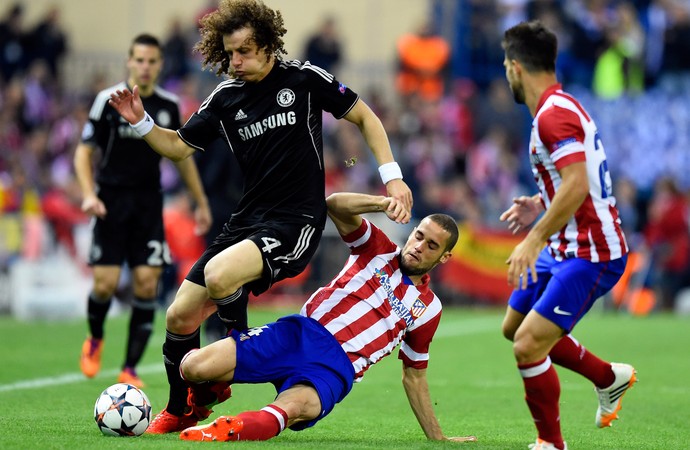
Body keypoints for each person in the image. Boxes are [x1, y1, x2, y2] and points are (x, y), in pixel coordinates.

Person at [107, 0, 412, 434]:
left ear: (268, 45)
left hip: (297, 222)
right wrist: (141, 123)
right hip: (246, 221)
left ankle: (230, 360)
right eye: (229, 53)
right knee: (178, 317)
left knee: (218, 276)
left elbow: (364, 115)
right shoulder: (227, 98)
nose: (235, 61)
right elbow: (178, 146)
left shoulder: (303, 79)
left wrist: (392, 178)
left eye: (245, 51)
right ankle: (182, 408)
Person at [174, 191, 475, 442]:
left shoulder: (429, 309)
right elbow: (333, 205)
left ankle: (226, 431)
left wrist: (438, 438)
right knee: (192, 366)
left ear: (444, 257)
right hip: (298, 333)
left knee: (290, 409)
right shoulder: (378, 249)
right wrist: (382, 204)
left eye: (432, 246)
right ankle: (204, 401)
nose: (419, 247)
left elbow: (414, 375)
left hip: (334, 368)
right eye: (419, 236)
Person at [498, 21, 636, 450]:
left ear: (516, 67)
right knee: (514, 326)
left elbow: (577, 185)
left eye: (506, 64)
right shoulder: (560, 106)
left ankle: (550, 443)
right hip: (565, 243)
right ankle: (608, 377)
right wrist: (540, 204)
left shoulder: (553, 116)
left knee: (526, 345)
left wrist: (533, 238)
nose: (505, 72)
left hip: (591, 252)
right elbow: (579, 181)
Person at [74, 33, 211, 388]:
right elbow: (84, 152)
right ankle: (95, 337)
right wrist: (89, 194)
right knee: (104, 285)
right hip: (111, 203)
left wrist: (200, 201)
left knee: (147, 285)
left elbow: (182, 158)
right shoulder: (107, 100)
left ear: (160, 64)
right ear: (129, 61)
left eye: (152, 61)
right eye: (140, 60)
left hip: (148, 205)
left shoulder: (168, 105)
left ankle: (129, 368)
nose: (145, 67)